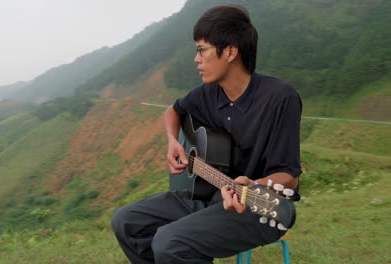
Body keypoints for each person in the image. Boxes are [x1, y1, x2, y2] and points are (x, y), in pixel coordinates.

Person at [111, 5, 302, 263]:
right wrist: (172, 142)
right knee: (126, 221)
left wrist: (255, 185)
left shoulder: (279, 98)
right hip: (211, 194)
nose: (196, 59)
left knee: (169, 242)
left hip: (261, 206)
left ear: (231, 51)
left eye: (202, 50)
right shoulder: (207, 93)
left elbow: (289, 178)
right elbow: (173, 111)